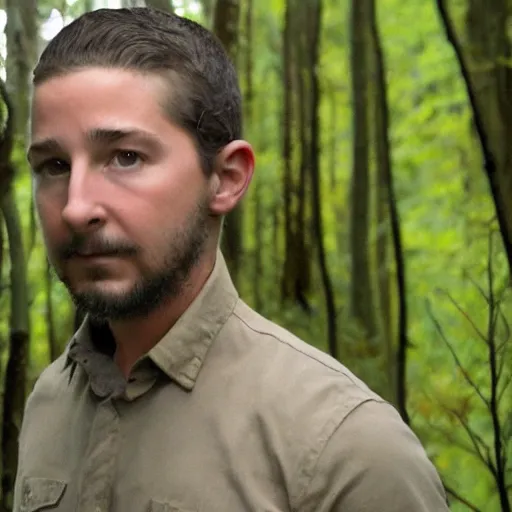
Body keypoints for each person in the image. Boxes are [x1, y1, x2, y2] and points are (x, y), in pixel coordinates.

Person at [14, 7, 449, 512]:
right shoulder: (48, 404)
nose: (76, 206)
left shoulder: (347, 452)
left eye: (125, 156)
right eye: (54, 165)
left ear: (226, 178)